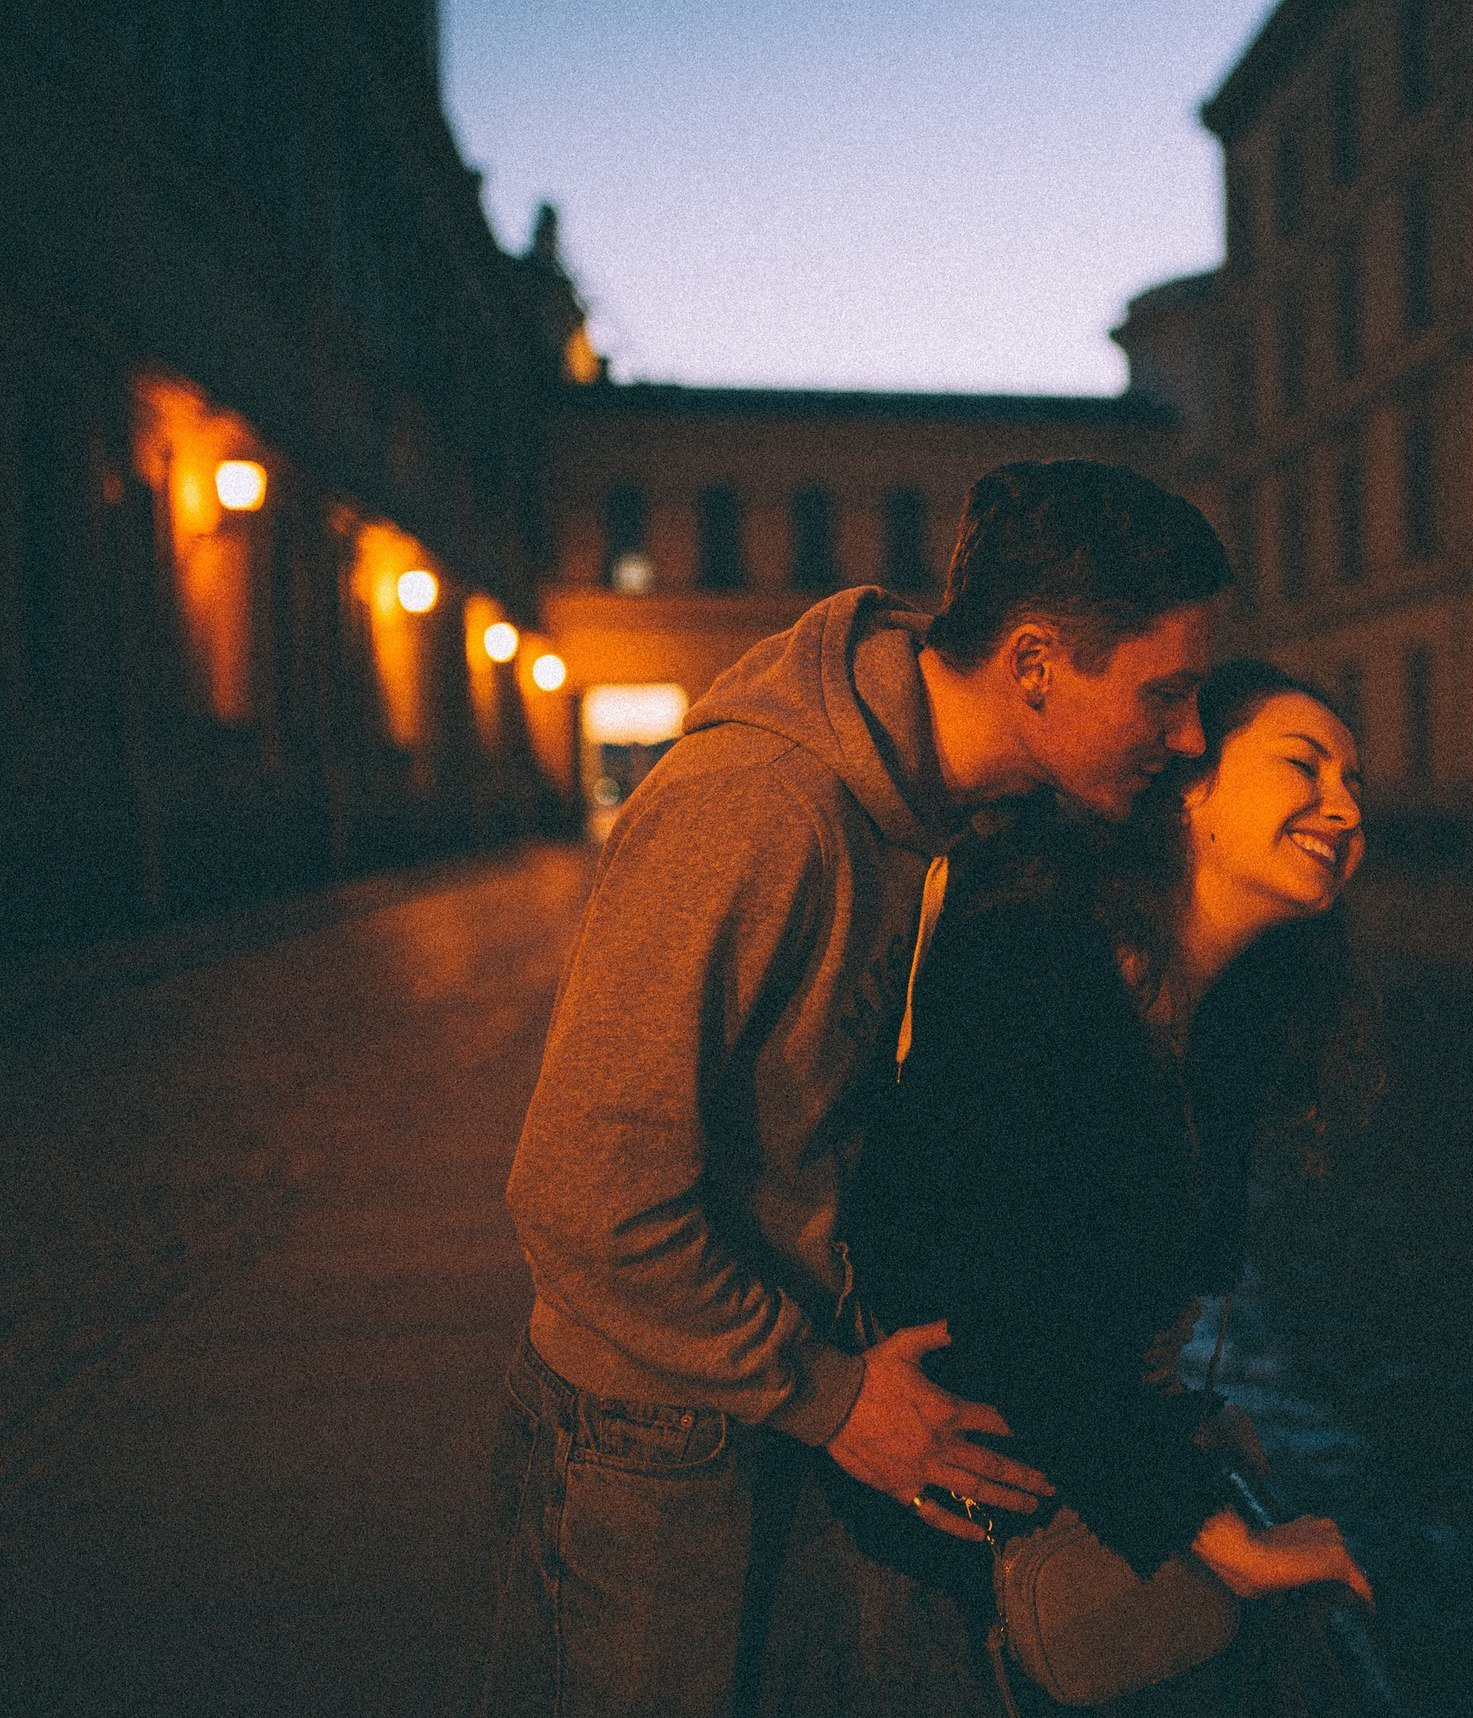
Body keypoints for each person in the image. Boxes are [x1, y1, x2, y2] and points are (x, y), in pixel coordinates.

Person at [480, 460, 1229, 1718]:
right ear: (1035, 664)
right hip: (651, 1445)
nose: (1192, 734)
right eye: (1167, 691)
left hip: (759, 1402)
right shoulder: (760, 808)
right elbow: (579, 1197)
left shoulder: (932, 815)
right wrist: (832, 1401)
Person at [771, 659, 1375, 1715]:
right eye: (1303, 763)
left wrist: (1166, 1424)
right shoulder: (1037, 963)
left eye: (1354, 778)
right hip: (947, 1545)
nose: (1344, 803)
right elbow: (1008, 1302)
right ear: (1189, 786)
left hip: (1053, 1480)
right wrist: (1221, 1529)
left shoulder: (1226, 1010)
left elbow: (1111, 1287)